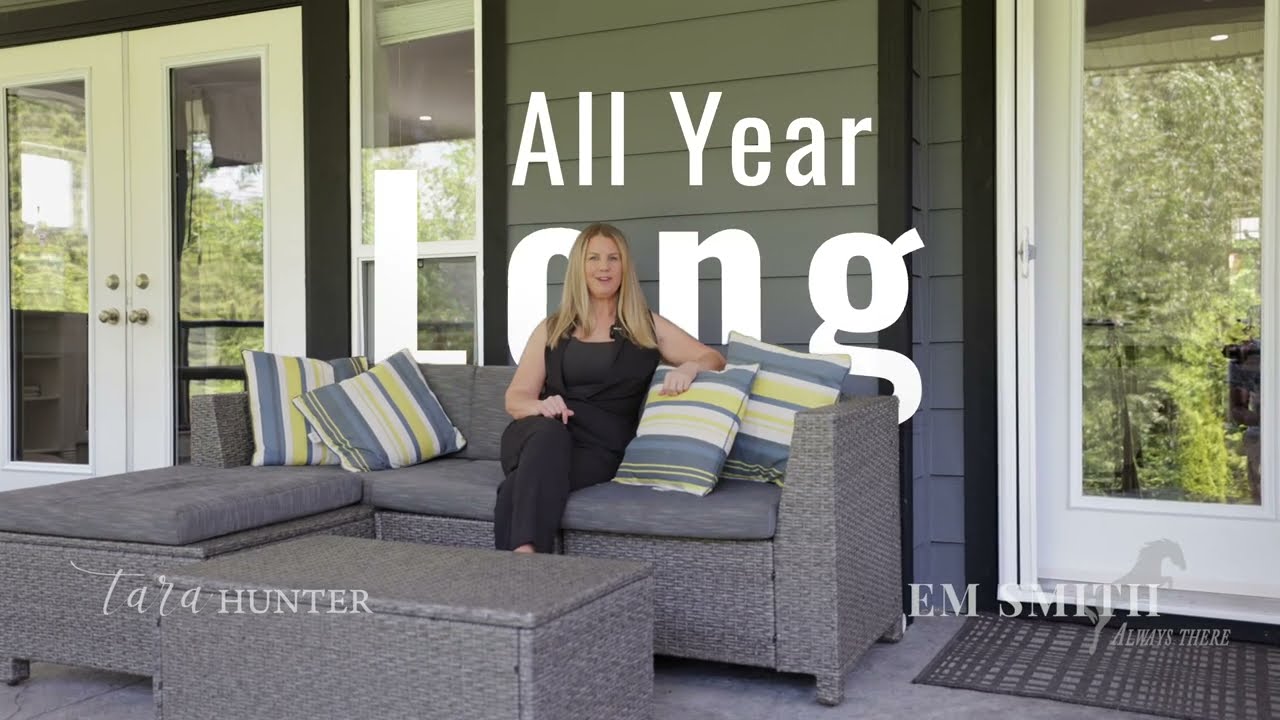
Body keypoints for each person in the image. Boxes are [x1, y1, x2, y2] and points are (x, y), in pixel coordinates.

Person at [496, 222, 726, 553]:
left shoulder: (646, 327)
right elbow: (515, 399)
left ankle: (512, 578)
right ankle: (529, 561)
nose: (603, 267)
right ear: (579, 267)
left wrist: (691, 366)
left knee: (517, 488)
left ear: (624, 267)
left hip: (600, 450)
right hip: (537, 434)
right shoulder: (552, 328)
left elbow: (713, 358)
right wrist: (540, 406)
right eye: (593, 258)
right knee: (549, 435)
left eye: (612, 258)